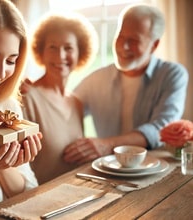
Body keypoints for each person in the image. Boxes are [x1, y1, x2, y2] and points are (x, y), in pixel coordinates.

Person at [63, 4, 189, 164]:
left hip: (154, 168)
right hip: (108, 169)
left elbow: (160, 129)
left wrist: (106, 145)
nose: (124, 46)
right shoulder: (98, 78)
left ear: (154, 45)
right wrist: (36, 91)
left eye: (134, 40)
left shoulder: (172, 74)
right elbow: (66, 108)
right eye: (120, 37)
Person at [0, 0, 42, 212]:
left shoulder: (6, 106)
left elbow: (26, 193)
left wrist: (0, 161)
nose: (1, 73)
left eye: (11, 61)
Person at [21, 12, 98, 184]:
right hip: (38, 202)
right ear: (40, 52)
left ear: (80, 52)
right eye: (52, 47)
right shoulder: (27, 97)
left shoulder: (76, 103)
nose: (60, 56)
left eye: (68, 48)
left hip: (76, 196)